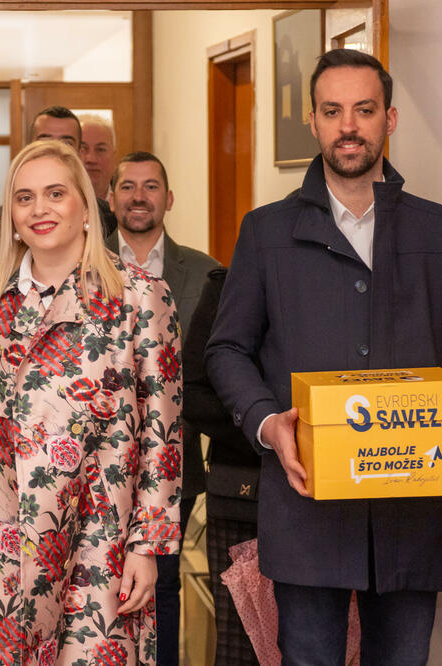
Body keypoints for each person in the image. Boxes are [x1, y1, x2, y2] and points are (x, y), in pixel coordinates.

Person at [204, 49, 442, 665]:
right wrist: (267, 422)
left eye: (364, 109)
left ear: (391, 118)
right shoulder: (266, 232)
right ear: (312, 121)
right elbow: (227, 349)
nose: (349, 126)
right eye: (332, 111)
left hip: (412, 511)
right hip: (307, 509)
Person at [0, 140, 184, 665]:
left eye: (55, 194)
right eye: (25, 197)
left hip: (96, 536)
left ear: (85, 207)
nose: (40, 209)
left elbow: (163, 433)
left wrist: (147, 545)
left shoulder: (140, 296)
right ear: (11, 216)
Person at [106, 151, 220, 666]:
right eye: (128, 186)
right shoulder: (81, 265)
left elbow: (215, 367)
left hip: (174, 461)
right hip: (92, 463)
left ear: (169, 199)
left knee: (164, 583)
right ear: (110, 198)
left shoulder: (205, 272)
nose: (139, 196)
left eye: (150, 186)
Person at [182, 267, 260, 666]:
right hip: (243, 497)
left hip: (331, 501)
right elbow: (192, 394)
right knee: (239, 646)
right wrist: (265, 432)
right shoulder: (226, 285)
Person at [30, 105, 117, 236]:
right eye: (45, 141)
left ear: (79, 152)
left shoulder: (110, 218)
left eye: (66, 144)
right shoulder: (5, 217)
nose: (55, 150)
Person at [78, 113, 117, 200]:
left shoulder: (127, 204)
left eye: (100, 149)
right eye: (83, 149)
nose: (91, 159)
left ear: (114, 157)